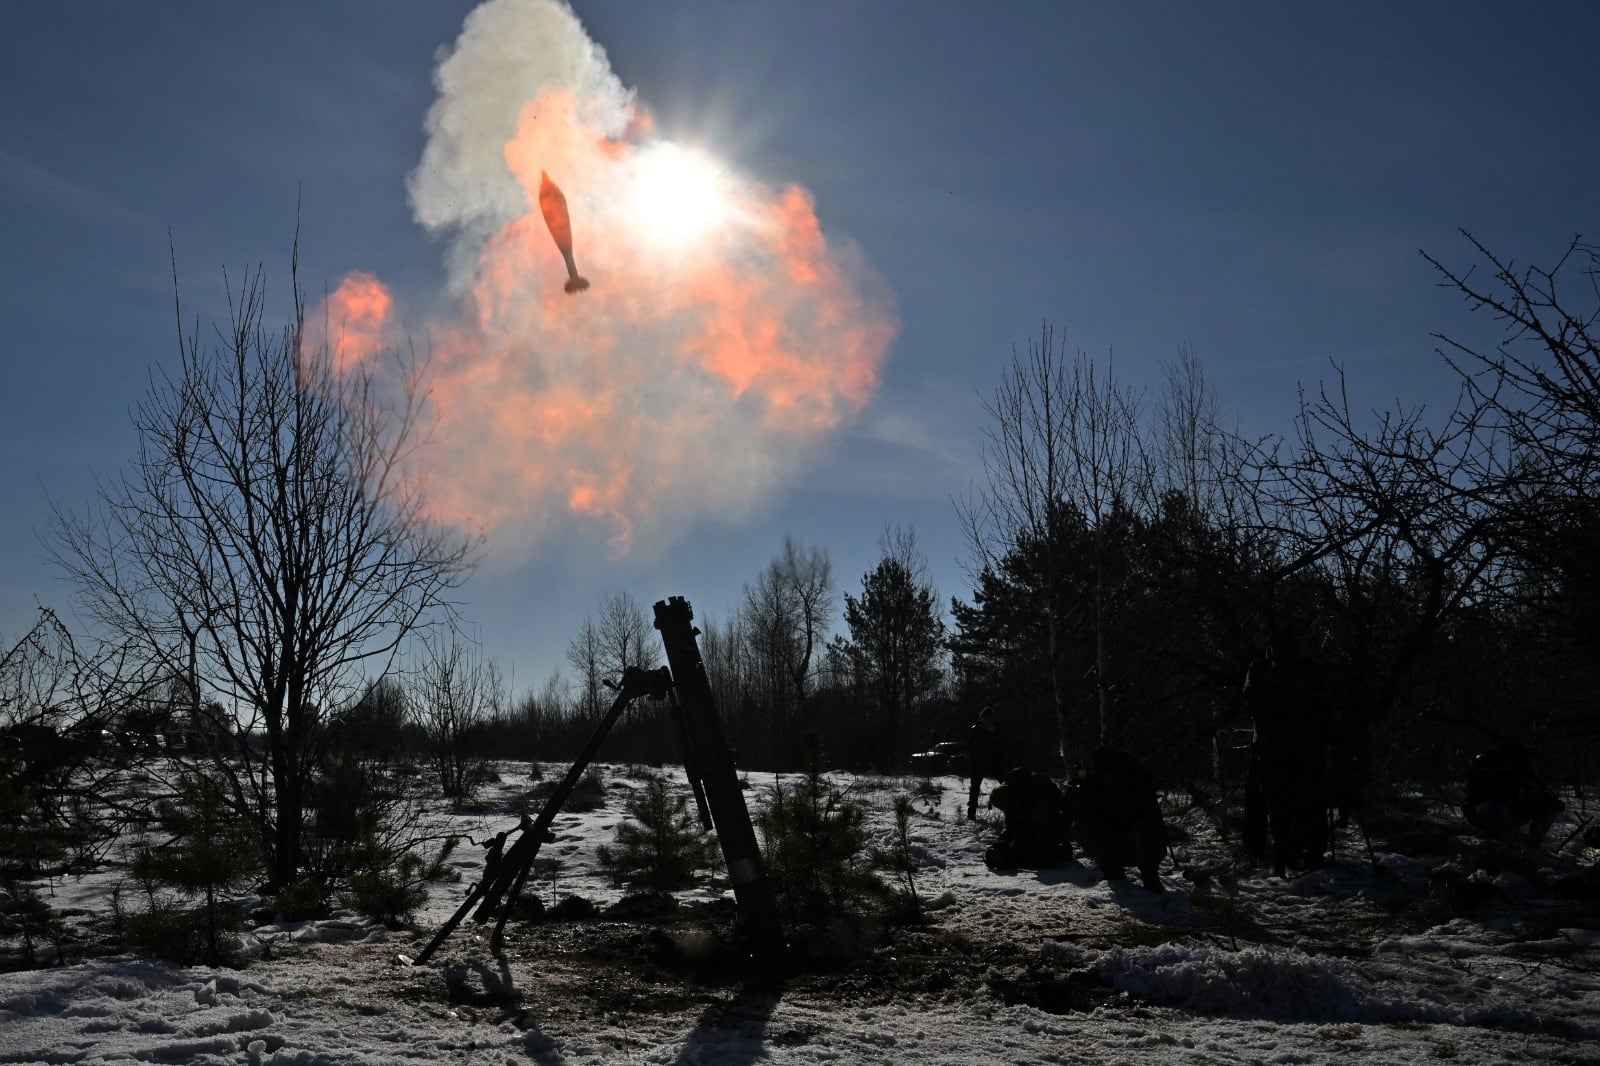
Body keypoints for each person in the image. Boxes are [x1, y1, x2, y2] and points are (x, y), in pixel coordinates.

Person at [1242, 627, 1332, 878]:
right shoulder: (1266, 669)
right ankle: (1287, 852)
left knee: (1298, 801)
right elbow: (1252, 700)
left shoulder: (1303, 670)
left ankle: (1299, 851)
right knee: (1280, 802)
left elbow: (1323, 705)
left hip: (1294, 746)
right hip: (1276, 746)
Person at [1063, 746, 1168, 891]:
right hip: (1122, 841)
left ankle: (1148, 878)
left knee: (1141, 829)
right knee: (1082, 825)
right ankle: (1114, 870)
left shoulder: (1130, 784)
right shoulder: (1103, 781)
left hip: (1138, 843)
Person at [1462, 744, 1563, 849]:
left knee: (1549, 806)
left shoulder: (1522, 771)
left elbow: (1537, 787)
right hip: (1481, 811)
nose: (1533, 764)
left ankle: (1532, 846)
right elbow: (1483, 794)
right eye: (1531, 759)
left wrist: (1550, 799)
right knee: (1496, 809)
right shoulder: (1497, 765)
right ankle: (1497, 842)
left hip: (1505, 812)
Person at [984, 767, 1068, 869]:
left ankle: (1054, 852)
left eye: (1008, 807)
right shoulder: (1009, 799)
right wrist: (1001, 842)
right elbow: (1011, 825)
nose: (1008, 810)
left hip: (1052, 822)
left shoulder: (1036, 791)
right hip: (1035, 825)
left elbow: (1057, 810)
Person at [966, 707, 1006, 820]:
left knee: (1006, 783)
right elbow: (970, 746)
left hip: (994, 762)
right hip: (978, 763)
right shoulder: (975, 730)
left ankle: (1013, 810)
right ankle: (971, 813)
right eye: (984, 718)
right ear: (981, 719)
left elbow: (1003, 746)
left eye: (989, 718)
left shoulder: (997, 729)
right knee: (974, 788)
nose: (987, 721)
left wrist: (994, 737)